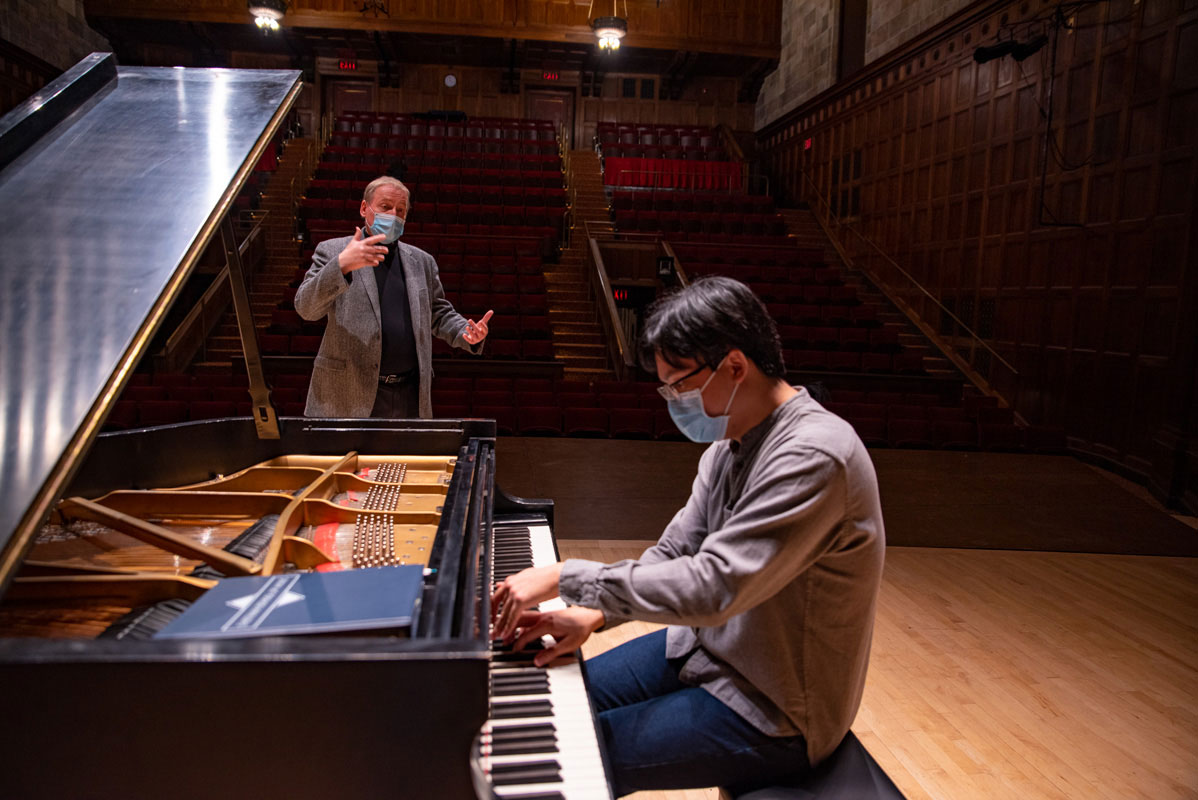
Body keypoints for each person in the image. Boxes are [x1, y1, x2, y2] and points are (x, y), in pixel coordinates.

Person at [490, 276, 885, 796]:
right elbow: (676, 551)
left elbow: (713, 587)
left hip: (774, 703)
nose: (673, 399)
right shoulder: (729, 444)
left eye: (679, 384)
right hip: (703, 649)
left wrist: (567, 574)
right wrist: (595, 613)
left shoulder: (814, 455)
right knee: (542, 696)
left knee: (570, 746)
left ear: (735, 367)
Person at [294, 176, 491, 418]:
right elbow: (306, 308)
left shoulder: (422, 261)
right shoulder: (334, 251)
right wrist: (342, 265)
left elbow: (438, 313)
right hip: (348, 393)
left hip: (409, 394)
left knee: (405, 458)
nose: (394, 215)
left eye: (400, 210)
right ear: (364, 208)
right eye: (385, 207)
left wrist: (466, 332)